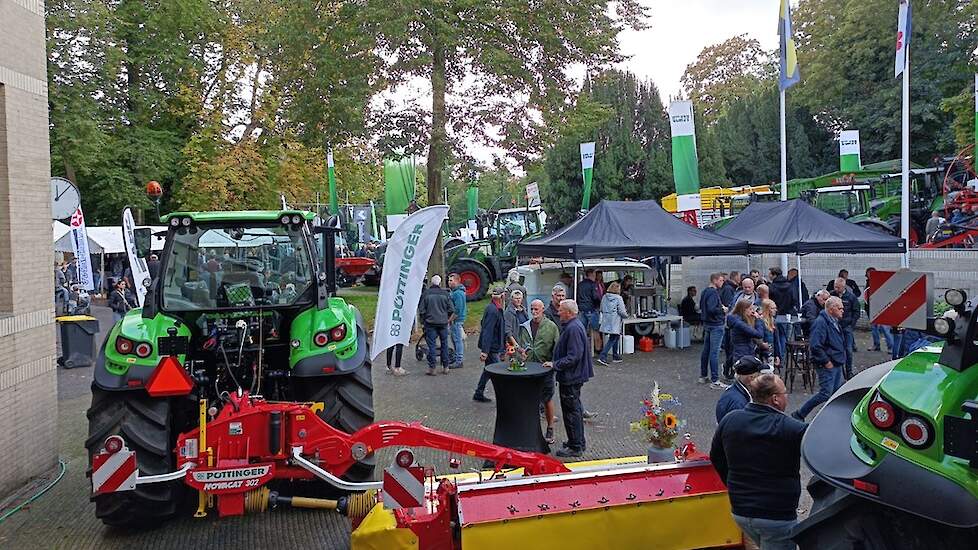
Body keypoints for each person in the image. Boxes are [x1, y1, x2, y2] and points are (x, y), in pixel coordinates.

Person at [711, 374, 807, 550]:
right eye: (785, 392)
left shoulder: (730, 420)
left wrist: (734, 485)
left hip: (741, 511)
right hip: (776, 516)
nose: (786, 396)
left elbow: (716, 457)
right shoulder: (790, 428)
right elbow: (820, 449)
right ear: (775, 399)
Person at [543, 299, 594, 458]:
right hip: (573, 376)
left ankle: (575, 446)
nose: (558, 313)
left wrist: (555, 364)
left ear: (569, 313)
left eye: (561, 310)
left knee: (571, 412)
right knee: (574, 410)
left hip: (571, 377)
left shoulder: (573, 329)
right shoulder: (574, 326)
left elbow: (574, 356)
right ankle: (577, 441)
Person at [793, 297, 848, 421]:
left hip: (837, 362)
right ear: (831, 309)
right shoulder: (821, 323)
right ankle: (800, 414)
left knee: (835, 394)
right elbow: (815, 345)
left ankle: (831, 418)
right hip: (827, 364)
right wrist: (826, 361)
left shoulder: (833, 321)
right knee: (825, 393)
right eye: (840, 308)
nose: (842, 310)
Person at [517, 299, 560, 444]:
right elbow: (521, 346)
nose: (534, 312)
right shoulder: (525, 327)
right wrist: (521, 354)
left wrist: (554, 364)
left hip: (545, 369)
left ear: (543, 309)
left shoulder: (551, 327)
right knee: (530, 400)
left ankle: (550, 428)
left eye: (536, 309)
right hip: (529, 369)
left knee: (547, 399)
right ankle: (531, 430)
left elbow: (557, 348)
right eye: (532, 309)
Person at [474, 287, 507, 402]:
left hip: (493, 346)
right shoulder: (494, 310)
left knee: (488, 370)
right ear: (502, 296)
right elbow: (488, 330)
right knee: (498, 372)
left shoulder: (495, 308)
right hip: (492, 348)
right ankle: (503, 397)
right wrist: (485, 351)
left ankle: (479, 392)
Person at [418, 274, 455, 375]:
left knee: (431, 345)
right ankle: (446, 366)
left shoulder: (426, 294)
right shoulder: (445, 294)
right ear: (440, 283)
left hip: (430, 323)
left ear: (431, 282)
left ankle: (432, 368)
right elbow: (451, 309)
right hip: (443, 323)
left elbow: (422, 310)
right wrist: (447, 318)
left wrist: (423, 322)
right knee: (444, 344)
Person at [715, 356, 767, 423]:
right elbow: (741, 428)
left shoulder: (735, 390)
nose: (762, 378)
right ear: (751, 378)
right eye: (760, 375)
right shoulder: (739, 404)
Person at [699, 273, 729, 389]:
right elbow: (712, 309)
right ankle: (715, 380)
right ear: (715, 280)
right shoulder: (713, 292)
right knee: (714, 352)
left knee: (706, 351)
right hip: (716, 324)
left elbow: (703, 307)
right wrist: (722, 310)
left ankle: (703, 376)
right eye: (721, 280)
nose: (723, 282)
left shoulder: (705, 291)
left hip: (707, 324)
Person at [831, 277, 860, 379]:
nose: (836, 289)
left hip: (847, 326)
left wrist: (851, 324)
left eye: (838, 287)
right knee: (835, 349)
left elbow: (856, 311)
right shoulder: (832, 295)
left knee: (848, 350)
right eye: (835, 287)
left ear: (843, 287)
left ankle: (849, 371)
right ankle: (837, 372)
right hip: (835, 326)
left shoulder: (851, 297)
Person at [597, 281, 628, 365]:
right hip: (615, 321)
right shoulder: (618, 298)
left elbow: (601, 308)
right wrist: (626, 315)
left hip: (606, 320)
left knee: (615, 337)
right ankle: (603, 356)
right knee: (613, 338)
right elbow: (622, 311)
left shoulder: (604, 297)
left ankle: (615, 355)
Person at [728, 299, 767, 364]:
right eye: (750, 309)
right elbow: (759, 334)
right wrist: (758, 320)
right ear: (744, 310)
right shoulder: (740, 324)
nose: (753, 311)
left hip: (744, 351)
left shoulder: (739, 320)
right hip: (743, 354)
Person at [864, 268, 893, 353]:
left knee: (885, 329)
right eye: (868, 273)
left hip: (881, 310)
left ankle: (891, 347)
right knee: (874, 329)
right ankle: (876, 345)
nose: (870, 275)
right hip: (871, 310)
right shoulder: (868, 283)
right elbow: (867, 297)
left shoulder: (880, 282)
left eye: (871, 273)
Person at [576, 269, 601, 353]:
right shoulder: (593, 284)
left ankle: (582, 350)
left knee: (582, 331)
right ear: (592, 274)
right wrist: (599, 304)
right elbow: (595, 297)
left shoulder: (580, 284)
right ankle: (598, 350)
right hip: (591, 309)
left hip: (581, 309)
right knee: (595, 330)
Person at [448, 272, 467, 368]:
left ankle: (459, 360)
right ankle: (457, 358)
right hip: (456, 320)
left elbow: (458, 309)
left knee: (457, 340)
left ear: (457, 281)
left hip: (456, 320)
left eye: (451, 280)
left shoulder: (457, 293)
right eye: (449, 280)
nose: (449, 282)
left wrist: (450, 319)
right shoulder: (456, 292)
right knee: (455, 339)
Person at [759, 299, 780, 369]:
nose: (775, 310)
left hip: (771, 352)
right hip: (762, 353)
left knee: (770, 371)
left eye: (775, 308)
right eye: (772, 308)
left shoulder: (773, 321)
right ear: (766, 309)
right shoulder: (760, 321)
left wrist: (777, 355)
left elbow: (776, 340)